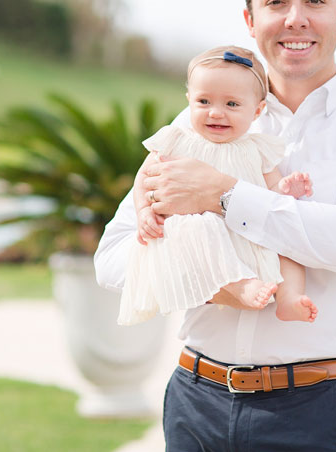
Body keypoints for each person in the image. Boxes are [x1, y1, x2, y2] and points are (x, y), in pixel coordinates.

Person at [95, 0, 336, 451]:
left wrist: (223, 195)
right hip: (193, 401)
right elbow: (113, 258)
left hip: (314, 409)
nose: (296, 18)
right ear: (250, 20)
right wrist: (214, 278)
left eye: (315, 0)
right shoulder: (202, 119)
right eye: (276, 2)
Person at [118, 44, 318, 325]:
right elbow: (144, 178)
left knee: (288, 243)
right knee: (203, 227)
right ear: (189, 100)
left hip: (245, 233)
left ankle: (289, 298)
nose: (215, 113)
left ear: (257, 110)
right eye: (203, 102)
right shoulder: (177, 140)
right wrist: (143, 212)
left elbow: (271, 196)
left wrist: (286, 189)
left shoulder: (257, 149)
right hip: (196, 234)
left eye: (232, 104)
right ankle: (238, 284)